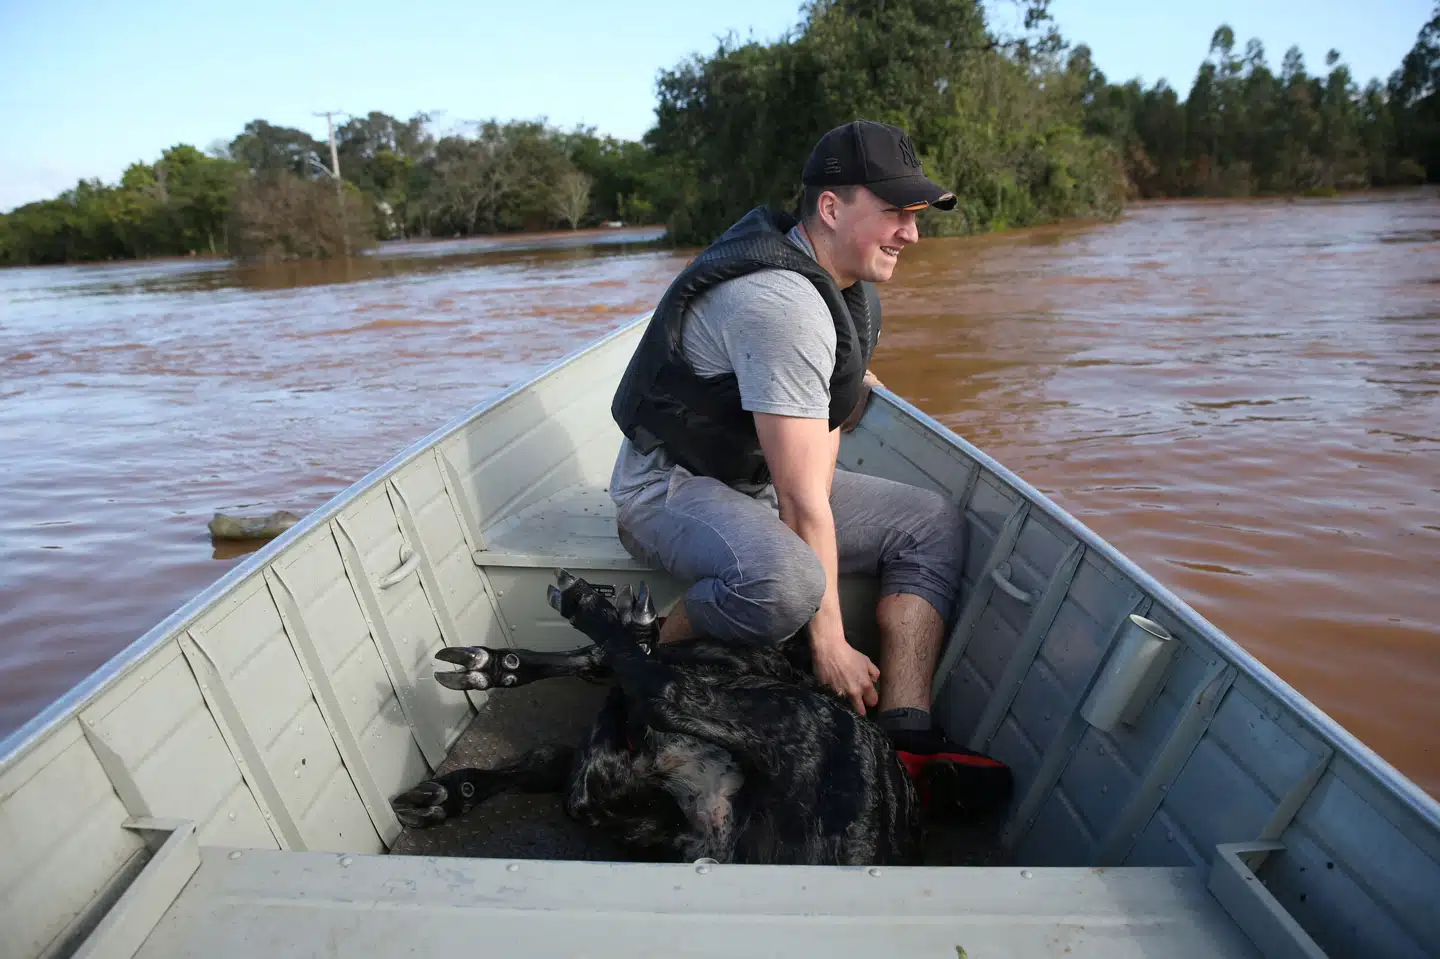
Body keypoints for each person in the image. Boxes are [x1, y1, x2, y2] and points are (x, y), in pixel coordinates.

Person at [608, 120, 966, 753]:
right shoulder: (782, 305)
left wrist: (849, 384)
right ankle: (641, 644)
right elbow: (803, 504)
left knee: (929, 523)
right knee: (787, 585)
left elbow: (821, 444)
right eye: (893, 213)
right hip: (668, 487)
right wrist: (829, 643)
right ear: (830, 208)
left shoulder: (849, 291)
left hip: (756, 483)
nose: (911, 233)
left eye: (915, 215)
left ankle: (909, 730)